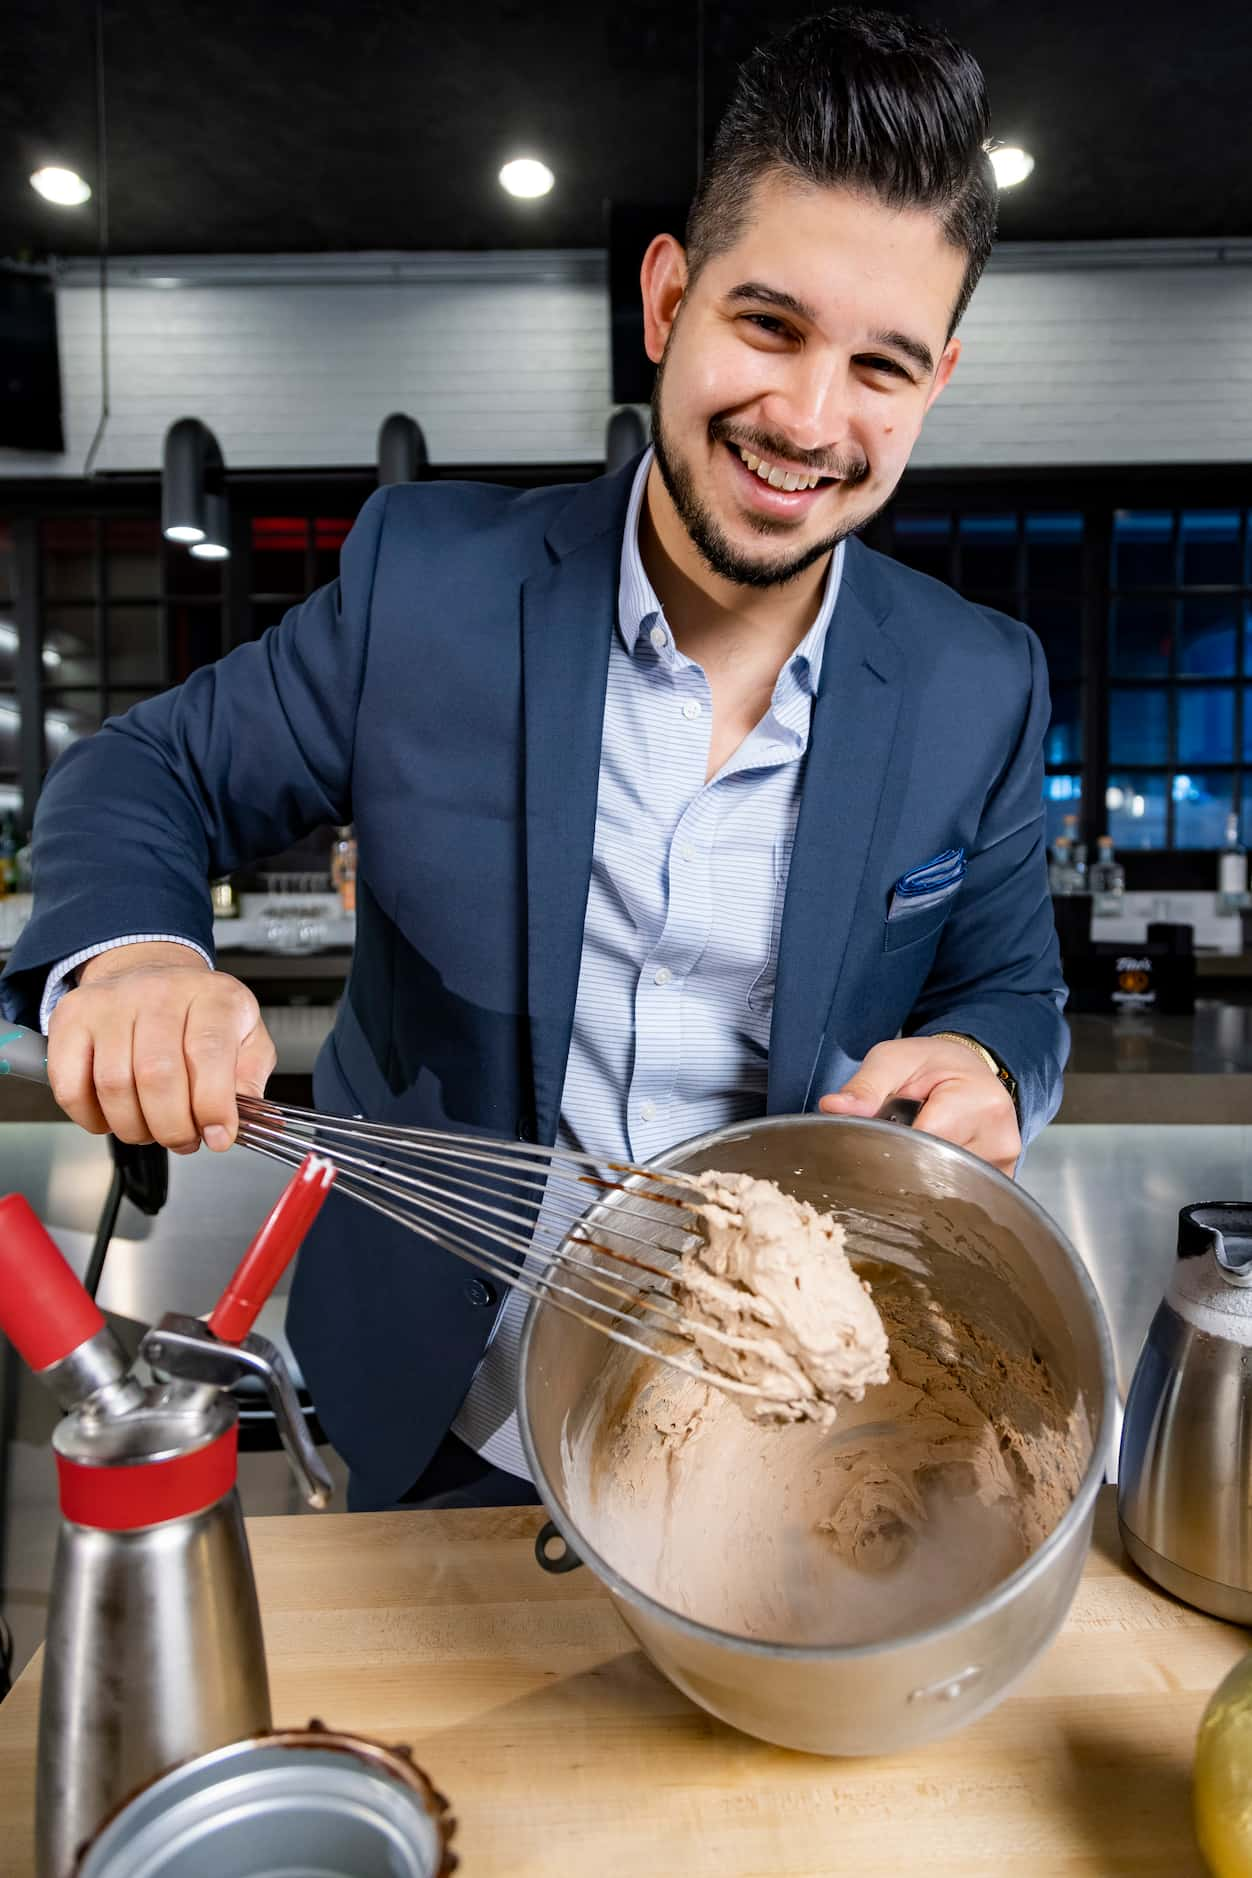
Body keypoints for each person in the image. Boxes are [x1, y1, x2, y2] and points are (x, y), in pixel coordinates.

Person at [0, 8, 1066, 1512]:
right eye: (767, 325)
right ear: (668, 300)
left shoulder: (979, 684)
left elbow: (1013, 990)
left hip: (779, 1439)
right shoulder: (425, 588)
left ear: (936, 380)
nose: (810, 419)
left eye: (879, 365)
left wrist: (989, 1061)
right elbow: (142, 773)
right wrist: (131, 958)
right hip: (437, 1410)